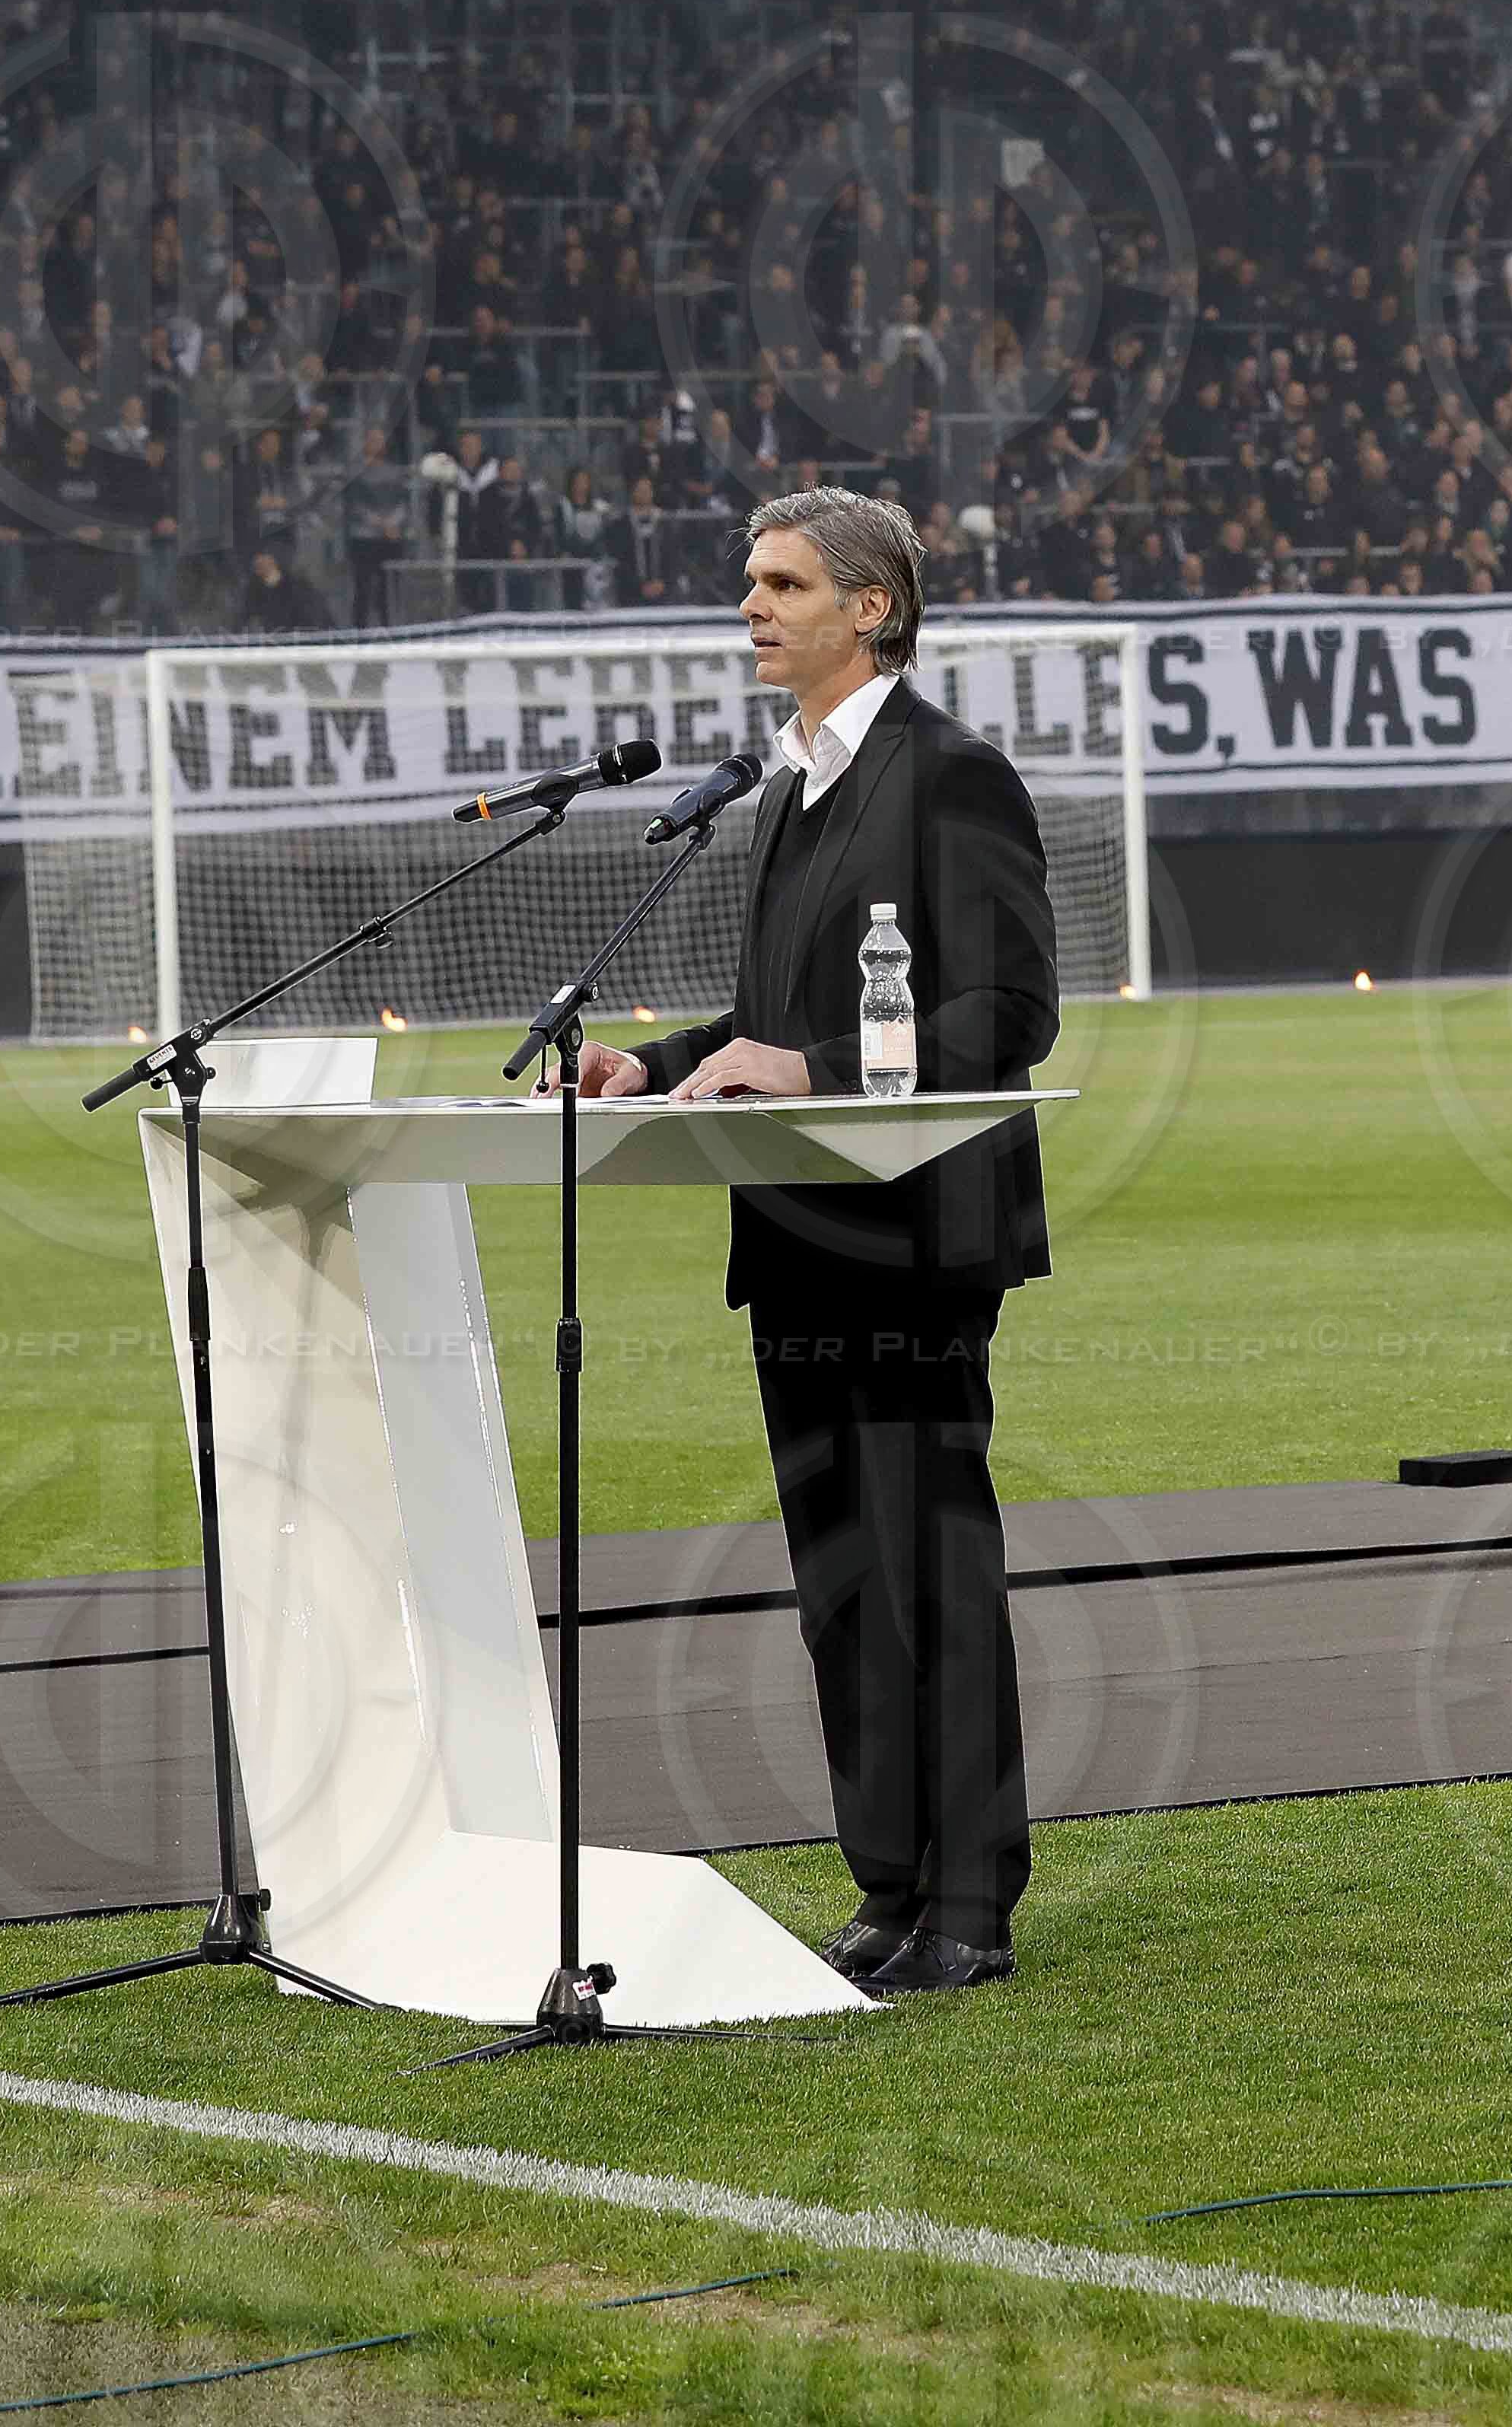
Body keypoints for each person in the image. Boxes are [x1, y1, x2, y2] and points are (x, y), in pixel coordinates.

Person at [559, 489, 1058, 1993]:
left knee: (928, 1567)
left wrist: (810, 1068)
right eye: (748, 582)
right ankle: (887, 1876)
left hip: (914, 1233)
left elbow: (1006, 1014)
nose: (752, 606)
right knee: (841, 1574)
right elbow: (774, 1023)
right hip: (792, 1233)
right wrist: (658, 1062)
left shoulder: (952, 774)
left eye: (783, 582)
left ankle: (970, 1894)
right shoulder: (781, 789)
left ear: (874, 608)